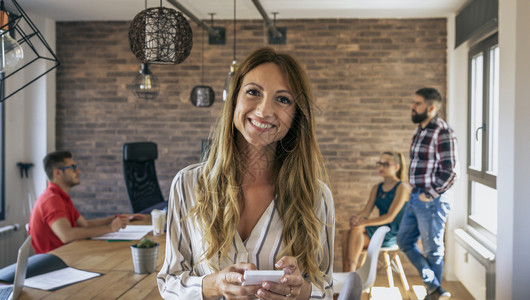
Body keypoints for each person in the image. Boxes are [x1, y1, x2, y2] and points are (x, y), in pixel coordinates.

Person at [157, 47, 335, 299]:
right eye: (253, 92)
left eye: (283, 99)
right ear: (234, 100)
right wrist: (214, 285)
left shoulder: (316, 195)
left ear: (296, 115)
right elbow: (170, 281)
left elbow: (326, 290)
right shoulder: (187, 184)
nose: (264, 111)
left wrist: (301, 291)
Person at [397, 88, 459, 300]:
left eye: (418, 104)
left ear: (431, 108)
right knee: (404, 240)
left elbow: (451, 171)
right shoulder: (421, 130)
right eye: (413, 102)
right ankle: (434, 288)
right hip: (416, 197)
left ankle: (433, 294)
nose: (412, 107)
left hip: (431, 200)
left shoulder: (443, 132)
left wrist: (430, 194)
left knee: (433, 250)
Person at [28, 151, 143, 253]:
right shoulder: (51, 199)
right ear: (57, 173)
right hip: (54, 262)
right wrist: (110, 228)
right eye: (72, 167)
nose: (78, 171)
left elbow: (85, 224)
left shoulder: (60, 197)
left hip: (67, 254)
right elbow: (66, 235)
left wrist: (118, 218)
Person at [341, 151, 410, 272]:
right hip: (378, 228)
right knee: (346, 234)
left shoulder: (402, 188)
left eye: (386, 164)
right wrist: (356, 218)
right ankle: (347, 275)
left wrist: (363, 223)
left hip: (392, 232)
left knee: (356, 229)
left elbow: (390, 217)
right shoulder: (376, 188)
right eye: (379, 163)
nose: (381, 167)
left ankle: (350, 274)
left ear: (397, 167)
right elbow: (366, 211)